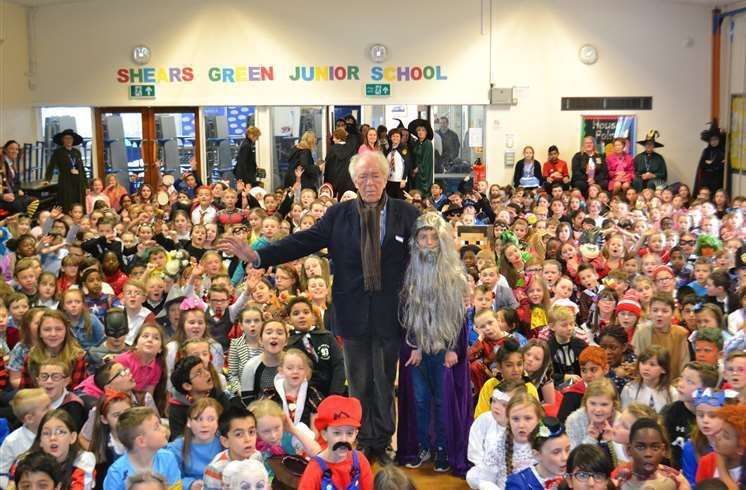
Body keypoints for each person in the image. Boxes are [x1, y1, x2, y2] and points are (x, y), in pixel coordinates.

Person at [217, 151, 420, 465]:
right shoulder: (339, 215)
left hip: (390, 314)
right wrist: (259, 257)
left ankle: (382, 442)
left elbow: (427, 259)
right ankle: (362, 440)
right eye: (363, 177)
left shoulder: (406, 214)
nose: (369, 182)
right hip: (351, 315)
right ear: (353, 180)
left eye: (376, 176)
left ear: (386, 178)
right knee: (359, 383)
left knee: (384, 383)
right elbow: (302, 241)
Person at [397, 212, 472, 474]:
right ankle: (421, 445)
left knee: (442, 400)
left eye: (433, 238)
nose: (428, 243)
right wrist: (414, 346)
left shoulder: (454, 275)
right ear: (415, 241)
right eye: (422, 238)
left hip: (444, 349)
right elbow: (408, 315)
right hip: (418, 348)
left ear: (442, 241)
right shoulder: (410, 274)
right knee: (419, 400)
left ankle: (443, 449)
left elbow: (459, 317)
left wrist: (453, 348)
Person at [297, 395, 374, 490]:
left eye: (350, 433)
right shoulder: (314, 471)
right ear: (324, 434)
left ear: (356, 434)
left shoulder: (360, 461)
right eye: (337, 433)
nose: (344, 440)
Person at [103, 407, 181, 490]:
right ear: (141, 441)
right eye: (157, 427)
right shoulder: (116, 473)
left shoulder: (168, 458)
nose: (164, 429)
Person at [505, 416, 570, 489]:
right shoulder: (518, 484)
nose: (565, 457)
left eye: (567, 449)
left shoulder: (575, 476)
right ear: (537, 455)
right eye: (556, 452)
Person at [44, 129, 87, 213]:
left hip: (78, 181)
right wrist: (47, 179)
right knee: (67, 203)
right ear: (62, 140)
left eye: (70, 138)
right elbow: (51, 166)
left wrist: (86, 185)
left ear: (73, 140)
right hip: (65, 181)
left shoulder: (77, 152)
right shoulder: (58, 152)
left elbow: (82, 169)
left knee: (78, 203)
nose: (69, 140)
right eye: (66, 138)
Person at [1, 140, 36, 215]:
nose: (15, 151)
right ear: (5, 150)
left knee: (34, 201)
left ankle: (25, 222)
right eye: (11, 148)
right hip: (3, 198)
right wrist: (2, 196)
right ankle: (23, 222)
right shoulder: (1, 164)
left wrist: (18, 190)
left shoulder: (11, 164)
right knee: (19, 206)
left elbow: (16, 182)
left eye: (16, 149)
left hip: (12, 195)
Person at [694, 120, 726, 197]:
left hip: (717, 180)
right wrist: (713, 164)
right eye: (711, 140)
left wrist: (711, 164)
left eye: (715, 139)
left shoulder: (722, 151)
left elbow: (720, 166)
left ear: (719, 140)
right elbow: (702, 165)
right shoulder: (706, 151)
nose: (713, 142)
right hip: (705, 179)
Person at [324, 127, 356, 199]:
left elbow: (328, 166)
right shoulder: (351, 149)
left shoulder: (332, 149)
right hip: (348, 181)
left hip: (334, 181)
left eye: (334, 137)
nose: (333, 139)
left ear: (338, 138)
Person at [411, 120, 434, 196]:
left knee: (422, 194)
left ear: (426, 132)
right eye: (419, 130)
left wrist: (417, 169)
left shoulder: (427, 143)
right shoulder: (417, 143)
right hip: (416, 174)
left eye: (423, 130)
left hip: (423, 173)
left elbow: (425, 161)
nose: (420, 132)